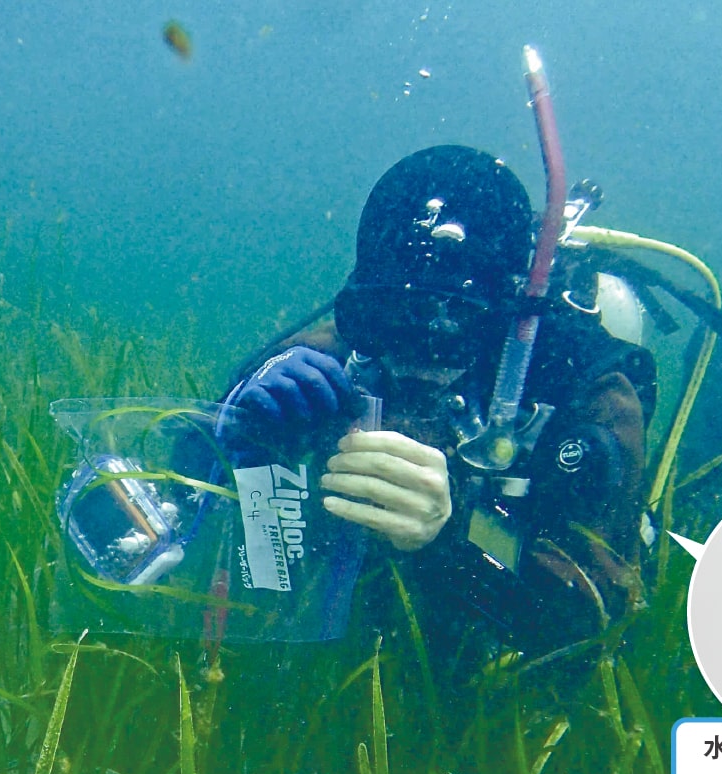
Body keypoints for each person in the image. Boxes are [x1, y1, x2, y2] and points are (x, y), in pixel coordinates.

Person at [218, 145, 658, 653]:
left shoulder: (590, 392)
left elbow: (597, 621)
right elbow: (182, 450)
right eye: (391, 320)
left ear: (504, 320)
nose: (414, 352)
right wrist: (236, 419)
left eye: (453, 328)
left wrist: (454, 536)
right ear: (365, 305)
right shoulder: (343, 346)